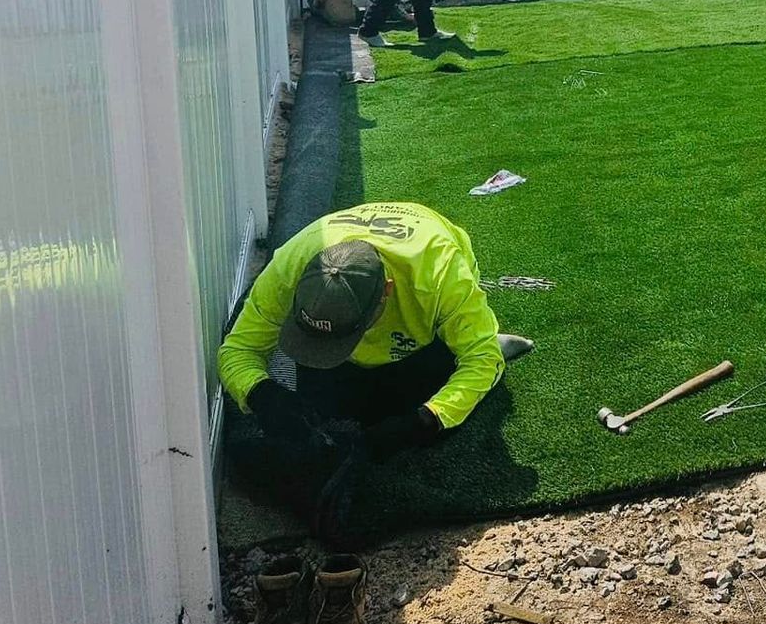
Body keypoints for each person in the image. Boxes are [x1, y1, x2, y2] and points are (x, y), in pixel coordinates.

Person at [217, 201, 534, 539]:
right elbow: (237, 350)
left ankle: (478, 334)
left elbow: (480, 363)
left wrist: (424, 420)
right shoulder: (289, 266)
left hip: (420, 332)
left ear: (385, 293)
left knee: (423, 397)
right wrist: (264, 395)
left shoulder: (439, 273)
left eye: (345, 337)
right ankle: (470, 335)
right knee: (325, 412)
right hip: (361, 313)